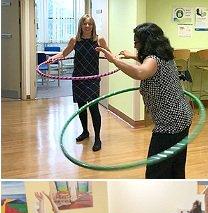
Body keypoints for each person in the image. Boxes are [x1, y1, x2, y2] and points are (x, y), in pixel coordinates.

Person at [96, 23, 192, 179]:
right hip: (182, 117)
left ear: (147, 43)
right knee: (176, 167)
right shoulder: (164, 55)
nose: (135, 45)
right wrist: (132, 56)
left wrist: (114, 60)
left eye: (136, 42)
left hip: (170, 124)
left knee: (156, 172)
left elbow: (140, 72)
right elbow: (149, 63)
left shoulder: (153, 59)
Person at [47, 14, 109, 152]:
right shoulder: (74, 40)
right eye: (84, 23)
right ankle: (85, 131)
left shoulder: (99, 40)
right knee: (81, 107)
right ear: (80, 25)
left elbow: (109, 55)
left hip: (92, 79)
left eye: (90, 24)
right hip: (78, 78)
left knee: (94, 108)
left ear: (93, 26)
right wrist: (53, 58)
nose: (87, 26)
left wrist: (115, 58)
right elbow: (64, 53)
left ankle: (98, 138)